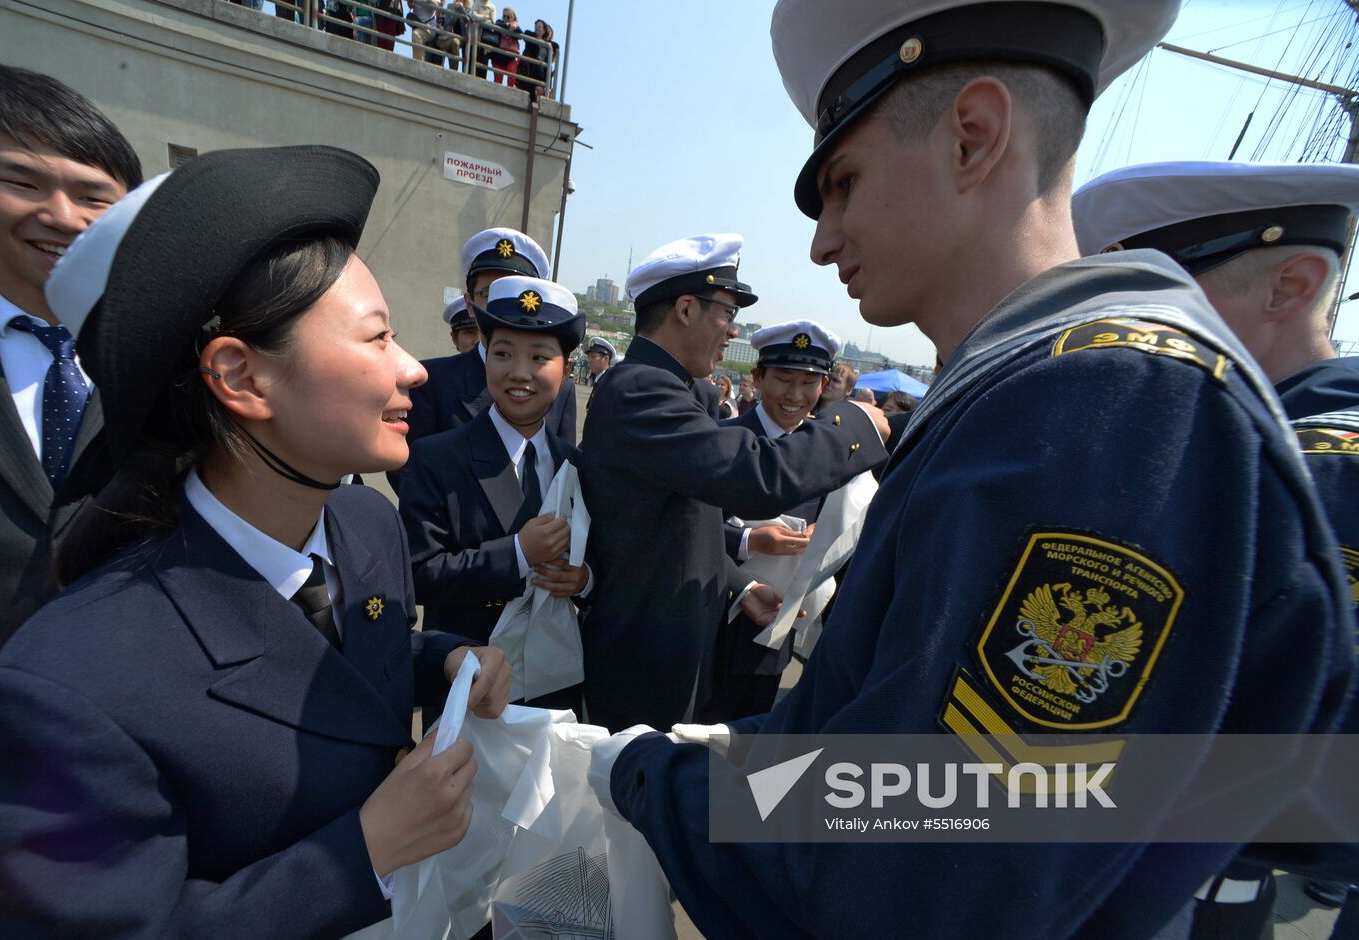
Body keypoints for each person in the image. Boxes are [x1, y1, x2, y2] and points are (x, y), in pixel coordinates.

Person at [586, 3, 1355, 937]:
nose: (824, 239)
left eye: (843, 183)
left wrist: (649, 780)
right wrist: (719, 764)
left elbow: (915, 858)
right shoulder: (1041, 393)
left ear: (972, 138)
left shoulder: (1106, 410)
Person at [0, 146, 514, 936]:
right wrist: (362, 852)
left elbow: (349, 661)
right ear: (241, 377)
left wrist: (446, 659)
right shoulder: (64, 691)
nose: (413, 370)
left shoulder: (364, 525)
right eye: (377, 337)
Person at [1073, 158, 1359, 940]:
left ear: (1291, 286)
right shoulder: (1235, 445)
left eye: (1160, 294)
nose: (1129, 323)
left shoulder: (1321, 472)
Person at [579, 232, 890, 733]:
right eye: (727, 313)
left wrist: (739, 584)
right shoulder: (641, 390)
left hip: (674, 651)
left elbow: (686, 527)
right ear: (684, 308)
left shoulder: (670, 389)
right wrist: (851, 424)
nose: (730, 332)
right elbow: (754, 477)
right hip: (645, 662)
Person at [0, 65, 141, 685]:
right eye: (21, 182)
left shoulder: (169, 360)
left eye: (94, 196)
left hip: (139, 717)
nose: (63, 217)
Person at [398, 276, 589, 712]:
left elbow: (602, 559)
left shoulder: (575, 464)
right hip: (471, 682)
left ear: (566, 368)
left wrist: (584, 580)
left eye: (539, 357)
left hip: (553, 685)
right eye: (502, 353)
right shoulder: (436, 458)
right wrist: (519, 552)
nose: (519, 373)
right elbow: (419, 574)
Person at [706, 320, 845, 721]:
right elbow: (686, 526)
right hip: (711, 616)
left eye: (809, 382)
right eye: (784, 380)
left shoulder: (829, 452)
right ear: (757, 377)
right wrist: (749, 539)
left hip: (778, 628)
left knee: (748, 745)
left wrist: (827, 536)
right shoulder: (719, 439)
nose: (796, 395)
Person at [405, 227, 575, 449]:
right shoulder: (432, 381)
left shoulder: (560, 387)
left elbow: (565, 470)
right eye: (489, 294)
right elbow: (410, 472)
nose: (502, 306)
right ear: (469, 304)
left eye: (513, 294)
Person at [520, 18, 556, 99]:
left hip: (539, 74)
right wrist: (537, 39)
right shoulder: (531, 37)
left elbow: (548, 67)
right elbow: (526, 33)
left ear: (544, 31)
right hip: (528, 70)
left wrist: (547, 86)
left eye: (539, 26)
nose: (537, 28)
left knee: (535, 96)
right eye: (536, 26)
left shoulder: (547, 47)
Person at [491, 7, 521, 87]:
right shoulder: (499, 22)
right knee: (497, 82)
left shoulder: (516, 27)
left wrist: (515, 25)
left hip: (510, 58)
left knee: (512, 73)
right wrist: (508, 26)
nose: (505, 18)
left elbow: (520, 33)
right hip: (498, 57)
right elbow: (497, 25)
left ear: (513, 18)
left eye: (508, 17)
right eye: (504, 16)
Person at [471, 0, 496, 78]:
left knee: (483, 63)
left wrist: (479, 18)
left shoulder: (492, 7)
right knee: (473, 59)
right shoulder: (477, 3)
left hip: (486, 39)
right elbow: (473, 16)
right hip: (475, 36)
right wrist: (485, 17)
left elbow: (492, 22)